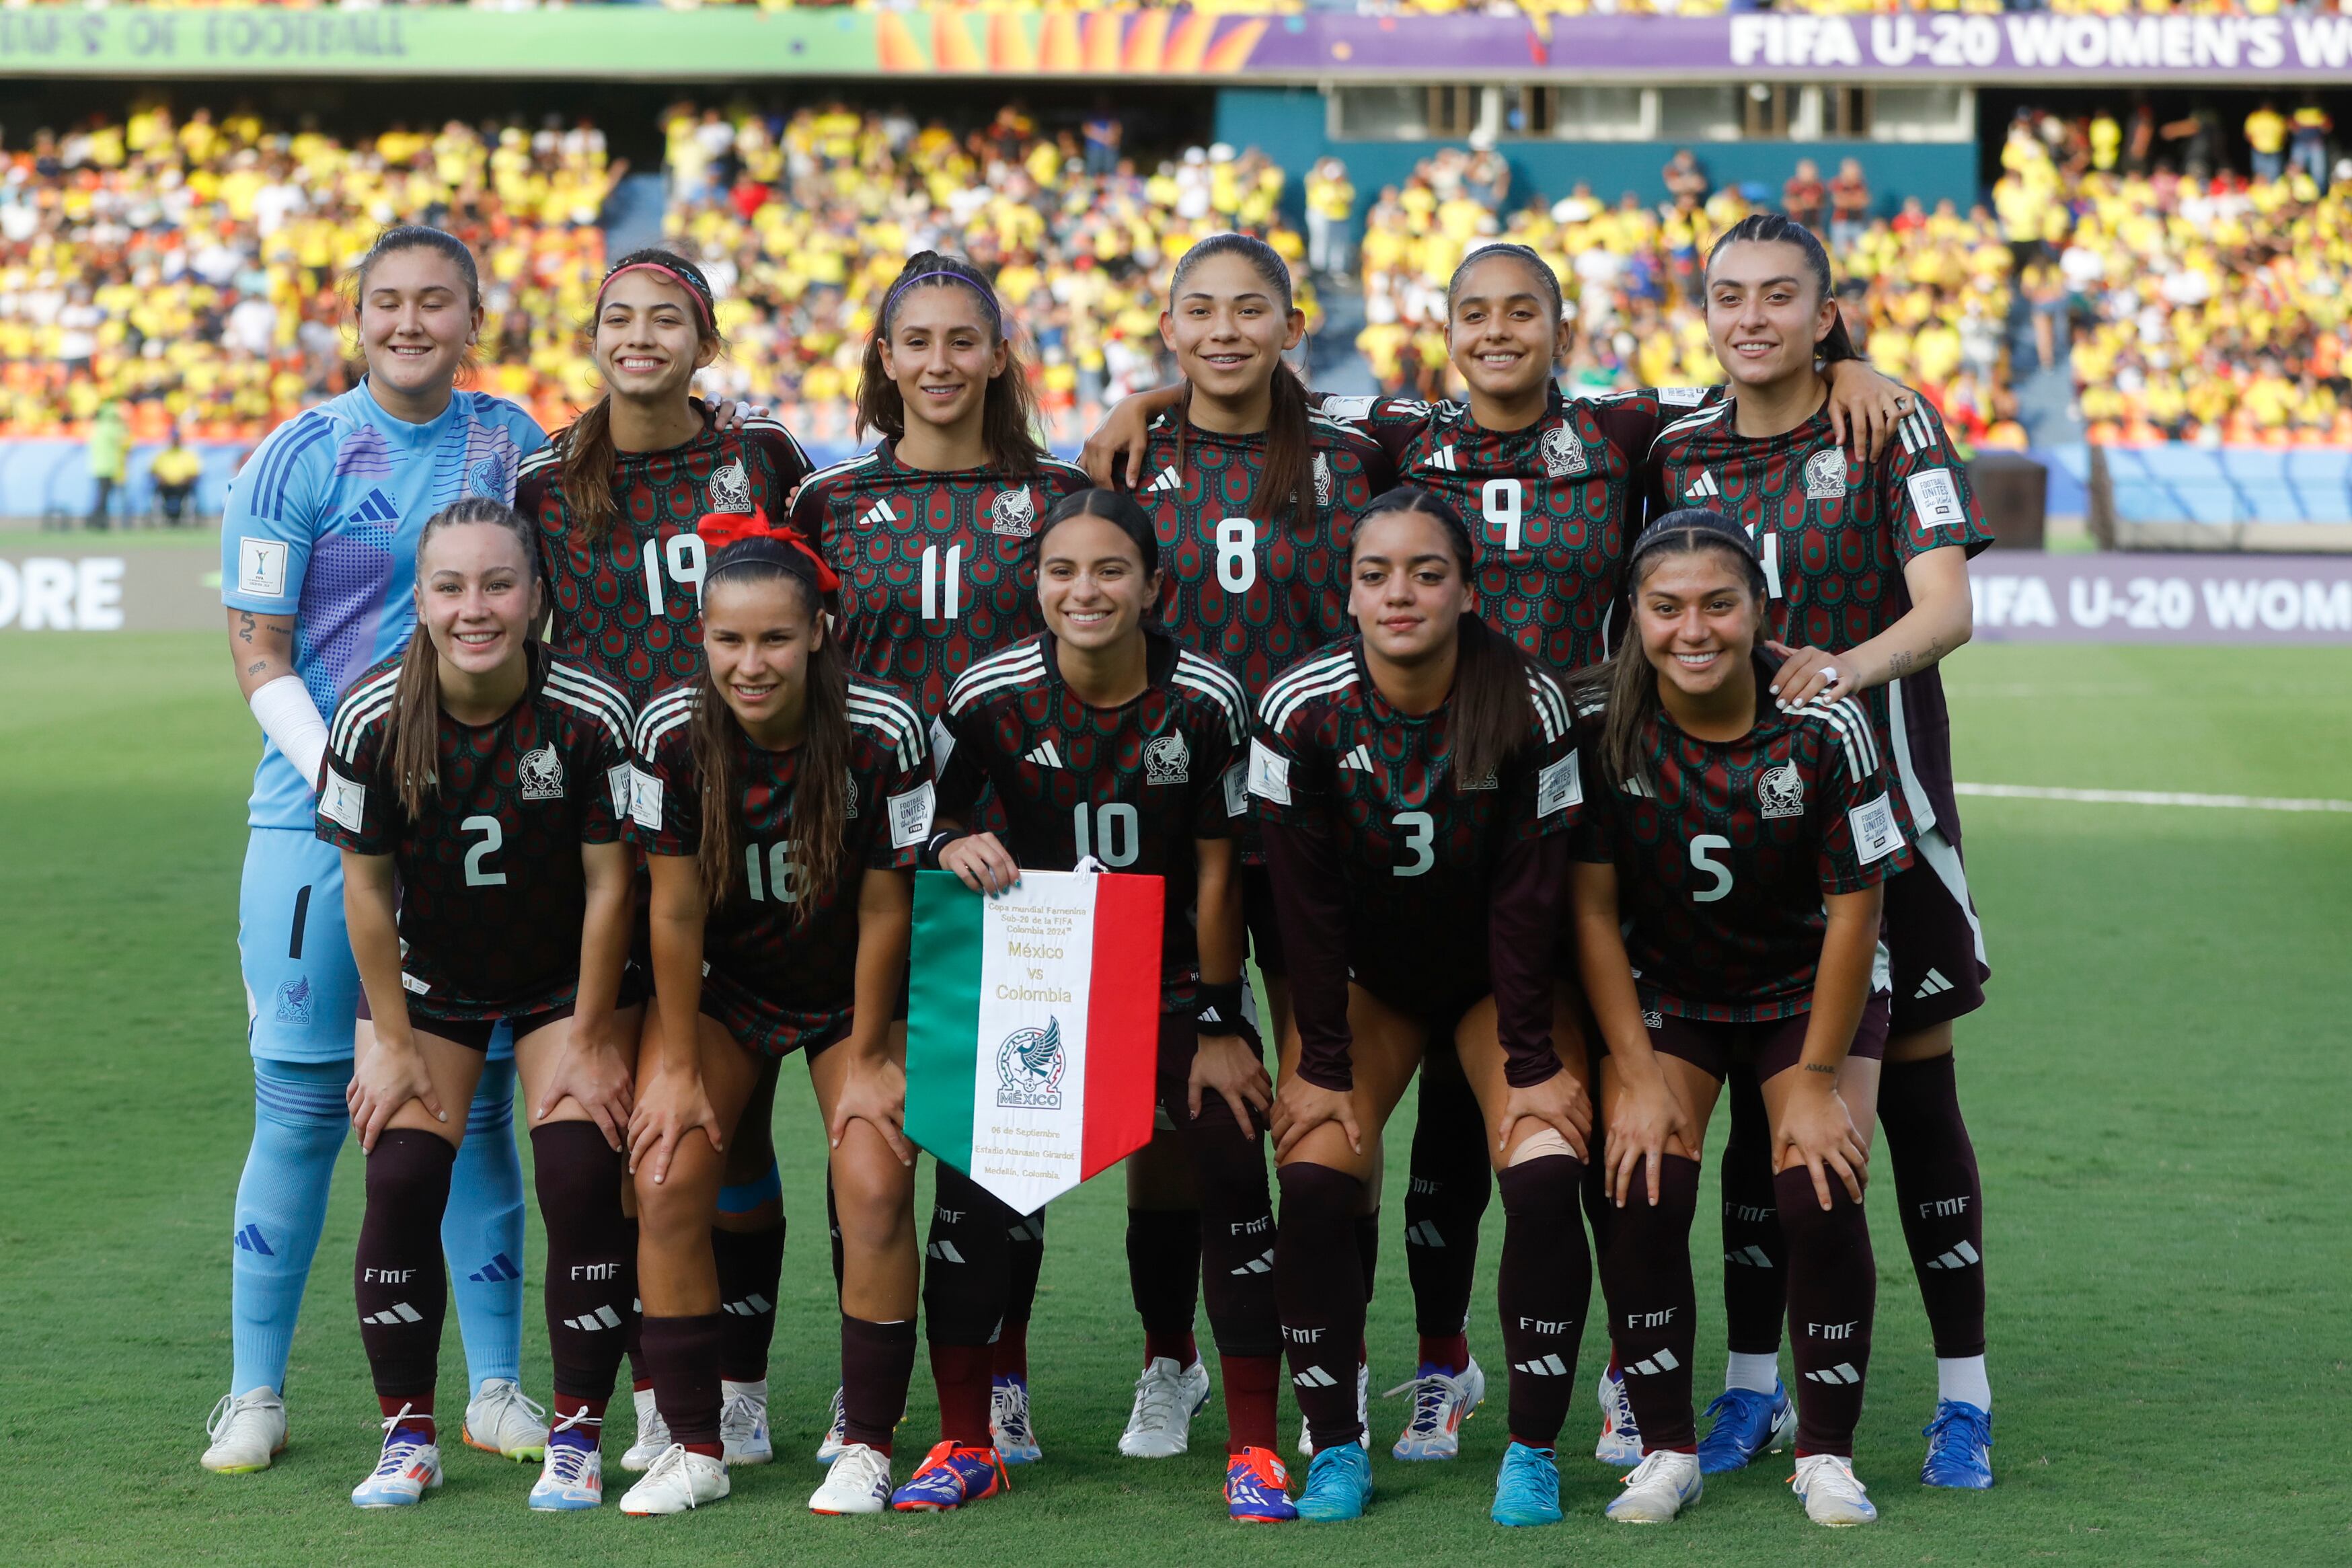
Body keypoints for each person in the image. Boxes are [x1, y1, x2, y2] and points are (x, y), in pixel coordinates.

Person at [1085, 241, 1908, 1466]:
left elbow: (1757, 375)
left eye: (1523, 311)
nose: (1498, 331)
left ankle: (1624, 1373)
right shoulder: (1401, 437)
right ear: (1448, 329)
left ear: (1559, 328)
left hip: (1578, 813)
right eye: (1475, 313)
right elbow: (1243, 372)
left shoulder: (1632, 432)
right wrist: (1141, 396)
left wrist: (1853, 362)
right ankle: (1405, 1364)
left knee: (1559, 1108)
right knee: (1349, 1126)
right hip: (1354, 802)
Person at [1644, 212, 1998, 1490]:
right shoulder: (1673, 443)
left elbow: (1949, 605)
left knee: (1910, 1098)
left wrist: (1833, 674)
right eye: (1729, 294)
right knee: (1759, 1101)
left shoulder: (1887, 421)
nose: (1752, 317)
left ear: (1823, 309)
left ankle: (1963, 1394)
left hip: (1885, 816)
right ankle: (1753, 1391)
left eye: (1780, 296)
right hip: (1734, 835)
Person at [208, 225, 549, 1477]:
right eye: (388, 303)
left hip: (485, 826)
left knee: (478, 1105)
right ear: (357, 320)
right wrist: (351, 778)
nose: (411, 321)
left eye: (436, 302)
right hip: (312, 822)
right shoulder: (296, 455)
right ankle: (255, 1392)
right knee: (300, 1111)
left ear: (472, 318)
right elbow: (259, 648)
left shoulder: (514, 442)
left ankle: (499, 1385)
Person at [924, 489, 1293, 1520]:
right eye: (1061, 572)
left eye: (1109, 570)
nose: (1083, 590)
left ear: (1152, 586)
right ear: (1035, 584)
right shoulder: (987, 694)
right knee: (985, 1171)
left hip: (1172, 978)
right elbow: (922, 814)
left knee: (1224, 1150)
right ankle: (974, 1429)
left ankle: (1250, 1442)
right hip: (1037, 971)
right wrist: (952, 840)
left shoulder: (1208, 699)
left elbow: (1221, 877)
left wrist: (1221, 1023)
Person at [1089, 232, 1394, 1460]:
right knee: (1165, 1115)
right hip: (1166, 822)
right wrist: (1144, 406)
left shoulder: (1359, 451)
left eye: (1248, 311)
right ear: (1168, 328)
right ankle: (1171, 1361)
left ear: (1290, 324)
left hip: (1324, 820)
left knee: (1336, 1087)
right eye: (1198, 312)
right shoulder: (1123, 457)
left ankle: (1341, 1354)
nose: (1223, 331)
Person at [515, 246, 812, 1473]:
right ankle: (664, 1386)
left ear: (704, 335)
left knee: (730, 1131)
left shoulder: (764, 460)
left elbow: (807, 600)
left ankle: (732, 1388)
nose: (640, 336)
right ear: (594, 334)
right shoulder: (544, 477)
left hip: (746, 820)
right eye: (618, 318)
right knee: (658, 1128)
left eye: (666, 318)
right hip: (610, 839)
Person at [791, 249, 1090, 1466]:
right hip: (859, 858)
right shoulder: (827, 505)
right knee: (862, 1127)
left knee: (997, 1135)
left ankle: (997, 1368)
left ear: (997, 355)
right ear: (883, 357)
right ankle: (864, 1384)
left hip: (1006, 862)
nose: (938, 363)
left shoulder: (1061, 495)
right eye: (915, 340)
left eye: (962, 339)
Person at [1251, 487, 1593, 1526]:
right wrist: (1317, 1060)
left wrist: (1531, 1056)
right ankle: (1337, 1447)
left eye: (1427, 572)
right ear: (1347, 591)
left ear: (1468, 589)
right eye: (1375, 574)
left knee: (1542, 1171)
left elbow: (1537, 894)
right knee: (1312, 1178)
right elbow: (1299, 902)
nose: (1400, 593)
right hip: (1369, 984)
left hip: (1502, 983)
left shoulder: (1529, 704)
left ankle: (1530, 1450)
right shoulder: (1298, 707)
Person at [1570, 508, 1908, 1529]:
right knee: (1639, 1183)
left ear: (1761, 610)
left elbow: (1858, 907)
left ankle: (1826, 1453)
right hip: (1671, 991)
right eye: (1666, 608)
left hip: (1812, 988)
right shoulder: (1601, 727)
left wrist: (1811, 1080)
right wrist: (1628, 1066)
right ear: (1633, 617)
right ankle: (1667, 1447)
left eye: (1719, 604)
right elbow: (1587, 909)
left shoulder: (1822, 721)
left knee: (1819, 1182)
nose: (1694, 629)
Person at [319, 500, 638, 1510]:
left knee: (583, 1174)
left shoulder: (591, 713)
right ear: (418, 599)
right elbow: (364, 894)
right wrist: (391, 1043)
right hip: (433, 978)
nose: (475, 608)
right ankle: (407, 1437)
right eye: (450, 587)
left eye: (498, 584)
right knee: (404, 1176)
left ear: (536, 595)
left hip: (566, 982)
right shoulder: (372, 717)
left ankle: (579, 1436)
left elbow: (611, 889)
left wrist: (589, 1038)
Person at [623, 509, 931, 1516]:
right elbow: (669, 908)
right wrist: (672, 1062)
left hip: (850, 994)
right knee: (665, 1172)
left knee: (876, 1179)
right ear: (701, 635)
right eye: (728, 639)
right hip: (729, 990)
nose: (750, 663)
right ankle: (698, 1445)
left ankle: (868, 1445)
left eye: (774, 639)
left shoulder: (883, 732)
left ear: (819, 636)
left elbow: (891, 906)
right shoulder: (667, 734)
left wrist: (878, 1052)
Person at [86, 399, 128, 531]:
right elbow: (125, 441)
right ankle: (100, 521)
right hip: (109, 466)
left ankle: (97, 520)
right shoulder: (112, 427)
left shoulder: (97, 426)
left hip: (98, 466)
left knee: (100, 495)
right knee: (104, 497)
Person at [152, 425, 205, 525]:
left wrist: (185, 480)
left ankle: (185, 519)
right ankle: (162, 518)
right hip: (166, 486)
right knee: (158, 492)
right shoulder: (163, 455)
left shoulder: (188, 455)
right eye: (173, 439)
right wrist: (161, 479)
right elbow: (154, 471)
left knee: (188, 493)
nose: (175, 441)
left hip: (183, 486)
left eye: (177, 439)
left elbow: (194, 473)